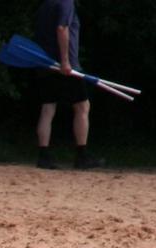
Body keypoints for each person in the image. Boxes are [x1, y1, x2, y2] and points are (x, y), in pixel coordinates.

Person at [31, 0, 104, 169]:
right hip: (65, 67)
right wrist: (65, 61)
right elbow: (62, 28)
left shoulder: (45, 4)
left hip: (46, 64)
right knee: (82, 106)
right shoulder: (66, 3)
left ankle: (44, 156)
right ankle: (82, 156)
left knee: (48, 108)